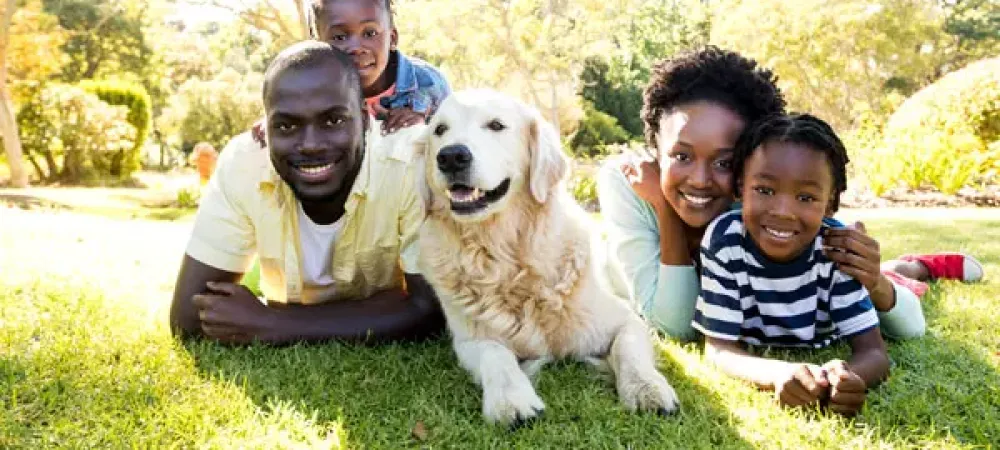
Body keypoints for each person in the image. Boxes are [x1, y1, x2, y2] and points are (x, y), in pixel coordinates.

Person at [596, 46, 984, 342]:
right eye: (681, 155)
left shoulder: (762, 197)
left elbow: (910, 328)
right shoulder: (629, 184)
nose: (699, 180)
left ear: (749, 162)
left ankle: (914, 268)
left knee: (853, 278)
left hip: (783, 288)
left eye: (725, 162)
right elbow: (674, 325)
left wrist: (876, 283)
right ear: (655, 148)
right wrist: (664, 210)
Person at [169, 40, 444, 344]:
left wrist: (272, 323)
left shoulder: (411, 162)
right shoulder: (245, 163)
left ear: (365, 119)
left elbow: (431, 309)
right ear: (265, 127)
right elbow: (190, 319)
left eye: (333, 120)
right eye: (286, 126)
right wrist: (387, 309)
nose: (311, 144)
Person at [693, 113, 887, 416]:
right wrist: (777, 374)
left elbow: (874, 352)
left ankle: (919, 268)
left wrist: (849, 376)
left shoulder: (836, 248)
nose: (783, 212)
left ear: (831, 203)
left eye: (806, 197)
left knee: (900, 287)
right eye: (765, 190)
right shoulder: (724, 241)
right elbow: (719, 350)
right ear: (741, 187)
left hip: (848, 311)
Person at [308, 0, 450, 133]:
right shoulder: (308, 93)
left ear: (392, 39)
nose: (356, 48)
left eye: (370, 33)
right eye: (339, 37)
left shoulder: (430, 85)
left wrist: (420, 131)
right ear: (318, 45)